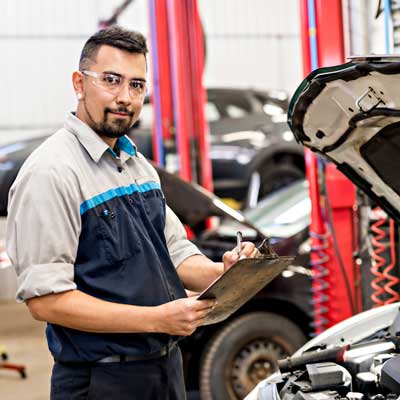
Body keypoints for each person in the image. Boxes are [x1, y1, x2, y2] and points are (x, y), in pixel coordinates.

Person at [6, 26, 256, 400]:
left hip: (164, 369)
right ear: (79, 83)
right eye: (111, 80)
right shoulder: (52, 173)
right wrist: (157, 318)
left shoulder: (137, 166)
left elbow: (173, 251)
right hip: (103, 381)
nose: (125, 97)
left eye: (137, 85)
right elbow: (47, 301)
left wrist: (224, 271)